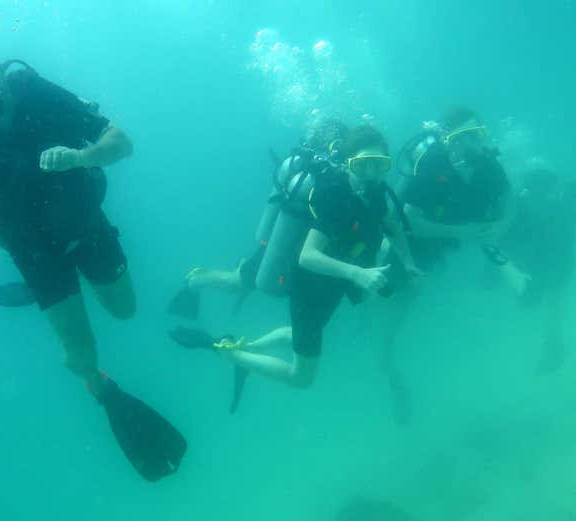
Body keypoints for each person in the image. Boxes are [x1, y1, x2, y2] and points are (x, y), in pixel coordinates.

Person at [0, 31, 185, 481]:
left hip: (86, 228)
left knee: (124, 310)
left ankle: (48, 297)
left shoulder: (36, 93)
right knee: (80, 350)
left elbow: (121, 141)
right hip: (34, 254)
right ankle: (101, 390)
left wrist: (83, 156)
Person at [171, 125, 419, 389]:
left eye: (378, 165)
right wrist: (358, 273)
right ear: (348, 164)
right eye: (362, 165)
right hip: (303, 277)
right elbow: (307, 256)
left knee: (299, 329)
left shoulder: (375, 193)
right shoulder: (335, 197)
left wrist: (409, 262)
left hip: (333, 277)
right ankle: (223, 345)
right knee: (301, 377)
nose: (370, 174)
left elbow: (391, 226)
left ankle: (248, 346)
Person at [379, 107, 528, 424]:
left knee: (426, 295)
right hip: (411, 248)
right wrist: (460, 232)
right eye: (460, 138)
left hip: (445, 244)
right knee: (398, 306)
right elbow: (403, 221)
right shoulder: (430, 164)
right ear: (446, 140)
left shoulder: (489, 165)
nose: (468, 145)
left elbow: (510, 198)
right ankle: (388, 368)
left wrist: (501, 225)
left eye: (475, 135)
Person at [167, 118, 349, 319]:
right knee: (236, 282)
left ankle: (232, 270)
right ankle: (195, 280)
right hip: (280, 242)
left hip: (285, 239)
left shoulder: (314, 168)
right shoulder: (319, 173)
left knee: (243, 281)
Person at [498, 169, 576, 372]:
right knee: (535, 305)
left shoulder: (558, 202)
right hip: (542, 265)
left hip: (554, 263)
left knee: (551, 305)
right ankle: (551, 342)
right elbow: (503, 239)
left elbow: (503, 240)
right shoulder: (519, 208)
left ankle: (552, 344)